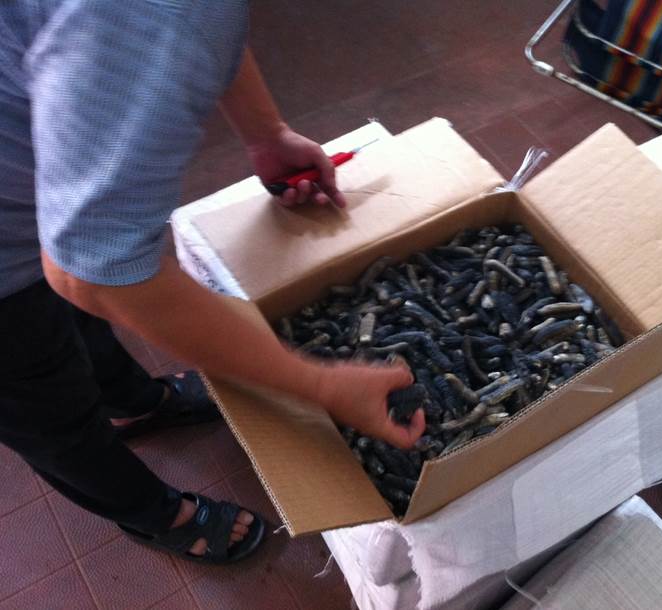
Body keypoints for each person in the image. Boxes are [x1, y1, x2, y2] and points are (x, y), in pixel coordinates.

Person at [0, 1, 425, 565]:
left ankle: (133, 404)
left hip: (31, 205)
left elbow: (197, 18)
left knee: (74, 324)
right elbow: (94, 276)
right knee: (46, 409)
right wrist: (319, 386)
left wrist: (266, 132)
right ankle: (154, 516)